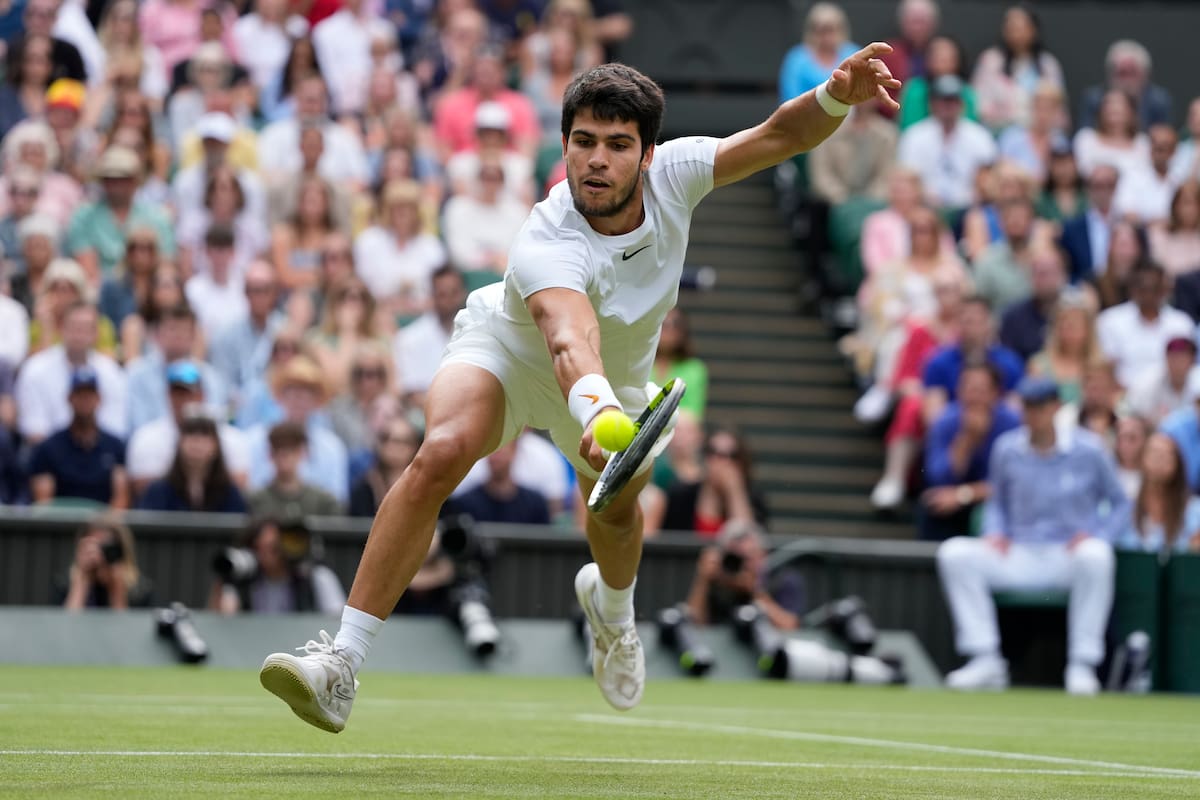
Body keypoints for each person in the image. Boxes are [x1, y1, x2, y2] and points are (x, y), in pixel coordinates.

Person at [259, 52, 903, 731]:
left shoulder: (679, 176)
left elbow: (777, 136)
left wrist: (834, 97)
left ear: (647, 155)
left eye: (618, 145)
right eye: (583, 142)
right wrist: (597, 411)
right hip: (510, 356)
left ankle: (614, 617)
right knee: (440, 452)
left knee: (617, 517)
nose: (596, 160)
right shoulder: (547, 238)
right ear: (564, 144)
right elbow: (569, 340)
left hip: (613, 383)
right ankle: (341, 663)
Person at [936, 375, 1128, 695]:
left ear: (1055, 408)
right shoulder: (1006, 449)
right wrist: (994, 531)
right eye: (1026, 407)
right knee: (954, 553)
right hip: (1019, 553)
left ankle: (1082, 664)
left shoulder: (1089, 450)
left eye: (1039, 407)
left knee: (1097, 555)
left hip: (1068, 556)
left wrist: (1097, 534)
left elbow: (1120, 503)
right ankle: (986, 659)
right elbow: (998, 501)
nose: (1031, 414)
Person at [920, 361, 1021, 541]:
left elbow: (1014, 482)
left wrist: (963, 495)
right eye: (968, 389)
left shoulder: (1012, 425)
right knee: (933, 504)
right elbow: (939, 477)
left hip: (994, 501)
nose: (973, 397)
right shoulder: (945, 421)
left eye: (981, 390)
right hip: (953, 499)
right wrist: (967, 439)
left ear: (996, 393)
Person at [125, 359, 251, 495]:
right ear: (168, 396)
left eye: (190, 393)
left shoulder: (232, 438)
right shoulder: (146, 438)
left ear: (202, 395)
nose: (184, 400)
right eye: (178, 394)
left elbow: (239, 487)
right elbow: (143, 490)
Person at [14, 300, 127, 444]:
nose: (79, 335)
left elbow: (115, 428)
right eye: (74, 327)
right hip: (48, 456)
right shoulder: (35, 369)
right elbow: (33, 429)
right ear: (61, 328)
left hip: (98, 455)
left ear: (96, 333)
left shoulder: (112, 372)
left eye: (85, 328)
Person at [28, 364, 129, 507]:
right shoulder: (49, 448)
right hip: (59, 526)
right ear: (69, 398)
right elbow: (44, 504)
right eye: (79, 395)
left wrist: (101, 528)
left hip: (103, 526)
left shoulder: (115, 446)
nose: (85, 400)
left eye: (89, 395)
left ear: (99, 399)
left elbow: (120, 500)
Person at [896, 74, 997, 212]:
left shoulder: (980, 136)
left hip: (970, 209)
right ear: (932, 103)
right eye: (943, 101)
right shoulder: (914, 136)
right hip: (924, 209)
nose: (948, 106)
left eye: (952, 101)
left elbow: (989, 179)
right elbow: (908, 178)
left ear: (961, 104)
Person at [211, 517, 347, 615]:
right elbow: (224, 619)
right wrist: (225, 580)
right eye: (260, 548)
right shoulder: (241, 583)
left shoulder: (317, 577)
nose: (273, 555)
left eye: (275, 548)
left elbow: (336, 623)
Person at [686, 521, 805, 631]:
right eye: (736, 559)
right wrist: (703, 579)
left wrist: (755, 592)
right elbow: (692, 625)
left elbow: (791, 626)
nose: (743, 566)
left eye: (748, 558)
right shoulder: (717, 583)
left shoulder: (782, 580)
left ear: (762, 555)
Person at [124, 304, 225, 431]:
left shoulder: (209, 377)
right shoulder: (137, 374)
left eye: (184, 330)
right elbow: (135, 424)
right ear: (156, 335)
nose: (178, 336)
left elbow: (215, 423)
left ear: (193, 337)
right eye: (172, 329)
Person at [1096, 262, 1194, 391]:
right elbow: (1106, 368)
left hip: (1173, 398)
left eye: (1154, 288)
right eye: (1143, 288)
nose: (1148, 295)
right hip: (1123, 398)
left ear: (1165, 290)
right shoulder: (1110, 321)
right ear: (1132, 289)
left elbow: (1190, 368)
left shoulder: (1181, 323)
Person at [969, 3, 1064, 133]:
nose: (1017, 33)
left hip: (1040, 136)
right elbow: (979, 103)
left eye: (1023, 27)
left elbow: (1058, 109)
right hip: (998, 133)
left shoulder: (1048, 64)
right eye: (1012, 28)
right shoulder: (990, 61)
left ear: (1034, 30)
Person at [661, 425, 770, 536]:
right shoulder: (683, 495)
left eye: (732, 455)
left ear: (742, 462)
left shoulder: (753, 497)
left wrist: (735, 492)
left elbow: (752, 543)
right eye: (713, 452)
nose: (721, 462)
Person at [137, 413, 248, 513]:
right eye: (191, 434)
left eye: (205, 435)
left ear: (216, 446)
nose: (197, 443)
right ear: (179, 443)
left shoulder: (229, 493)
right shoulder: (158, 491)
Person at [393, 265, 467, 407]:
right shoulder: (409, 338)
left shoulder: (479, 332)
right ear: (432, 296)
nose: (449, 300)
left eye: (454, 293)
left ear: (463, 293)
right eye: (442, 294)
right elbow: (413, 393)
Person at [1118, 432, 1200, 553]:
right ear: (1142, 458)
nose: (1160, 459)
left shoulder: (1194, 510)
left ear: (1177, 463)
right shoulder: (1126, 507)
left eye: (1167, 454)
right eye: (1154, 453)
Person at [249, 421, 345, 520]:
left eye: (291, 449)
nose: (284, 456)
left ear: (302, 453)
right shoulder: (255, 501)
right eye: (278, 449)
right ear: (270, 455)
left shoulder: (324, 502)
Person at [446, 439, 551, 525]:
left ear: (514, 452)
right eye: (491, 452)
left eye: (501, 452)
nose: (495, 458)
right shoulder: (465, 504)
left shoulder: (535, 504)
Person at [57, 516, 152, 609]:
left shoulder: (139, 590)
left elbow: (124, 624)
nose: (100, 557)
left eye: (107, 549)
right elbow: (66, 623)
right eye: (94, 547)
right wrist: (81, 583)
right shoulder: (65, 583)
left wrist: (117, 589)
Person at [1078, 40, 1172, 132]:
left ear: (1144, 74)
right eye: (1122, 73)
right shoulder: (1094, 99)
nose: (1127, 81)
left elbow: (1163, 138)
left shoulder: (1159, 101)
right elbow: (1087, 134)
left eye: (1132, 73)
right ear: (1111, 74)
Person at [1026, 294, 1102, 406]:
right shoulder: (1039, 365)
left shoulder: (1099, 365)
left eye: (1074, 324)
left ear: (1088, 329)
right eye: (1063, 322)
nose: (1068, 328)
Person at [998, 245, 1068, 363]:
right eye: (1037, 273)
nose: (1042, 280)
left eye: (1047, 273)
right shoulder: (1013, 317)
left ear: (1063, 275)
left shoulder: (1074, 313)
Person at [778, 2, 859, 102]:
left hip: (850, 114)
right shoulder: (796, 59)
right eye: (821, 30)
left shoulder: (854, 54)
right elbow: (790, 98)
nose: (827, 37)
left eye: (831, 30)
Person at [1059, 165, 1121, 283]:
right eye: (1098, 186)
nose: (1104, 191)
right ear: (1088, 188)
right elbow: (1067, 270)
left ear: (1116, 187)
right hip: (1085, 291)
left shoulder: (1128, 224)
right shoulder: (1072, 229)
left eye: (1109, 185)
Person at [349, 414, 420, 517]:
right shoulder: (364, 488)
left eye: (403, 441)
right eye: (387, 439)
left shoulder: (423, 486)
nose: (395, 447)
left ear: (414, 446)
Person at [1113, 124, 1180, 227]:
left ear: (1174, 151)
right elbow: (1125, 212)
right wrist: (1154, 225)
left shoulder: (1179, 180)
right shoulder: (1132, 176)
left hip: (1172, 238)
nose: (1162, 153)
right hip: (1141, 236)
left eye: (1167, 148)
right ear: (1151, 148)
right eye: (1158, 148)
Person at [651, 307, 709, 422]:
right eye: (663, 324)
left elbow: (693, 414)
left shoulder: (695, 369)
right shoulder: (637, 367)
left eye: (675, 325)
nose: (668, 330)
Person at [1126, 337, 1198, 426]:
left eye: (1182, 359)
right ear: (1166, 359)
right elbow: (1134, 415)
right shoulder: (1147, 383)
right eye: (1174, 358)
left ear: (1192, 361)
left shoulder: (1197, 381)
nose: (1177, 365)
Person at [1149, 181, 1200, 278]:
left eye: (1197, 204)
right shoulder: (1160, 235)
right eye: (1187, 203)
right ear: (1176, 205)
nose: (1192, 209)